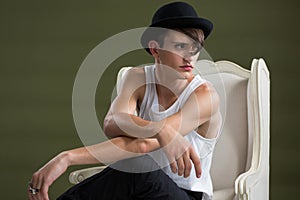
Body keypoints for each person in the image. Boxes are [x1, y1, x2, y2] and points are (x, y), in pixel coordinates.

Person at [28, 2, 222, 200]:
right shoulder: (137, 78)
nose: (190, 57)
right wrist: (162, 129)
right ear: (155, 49)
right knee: (132, 169)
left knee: (137, 165)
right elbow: (112, 124)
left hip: (185, 195)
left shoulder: (205, 96)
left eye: (195, 48)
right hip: (140, 189)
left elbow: (142, 145)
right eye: (180, 46)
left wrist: (68, 158)